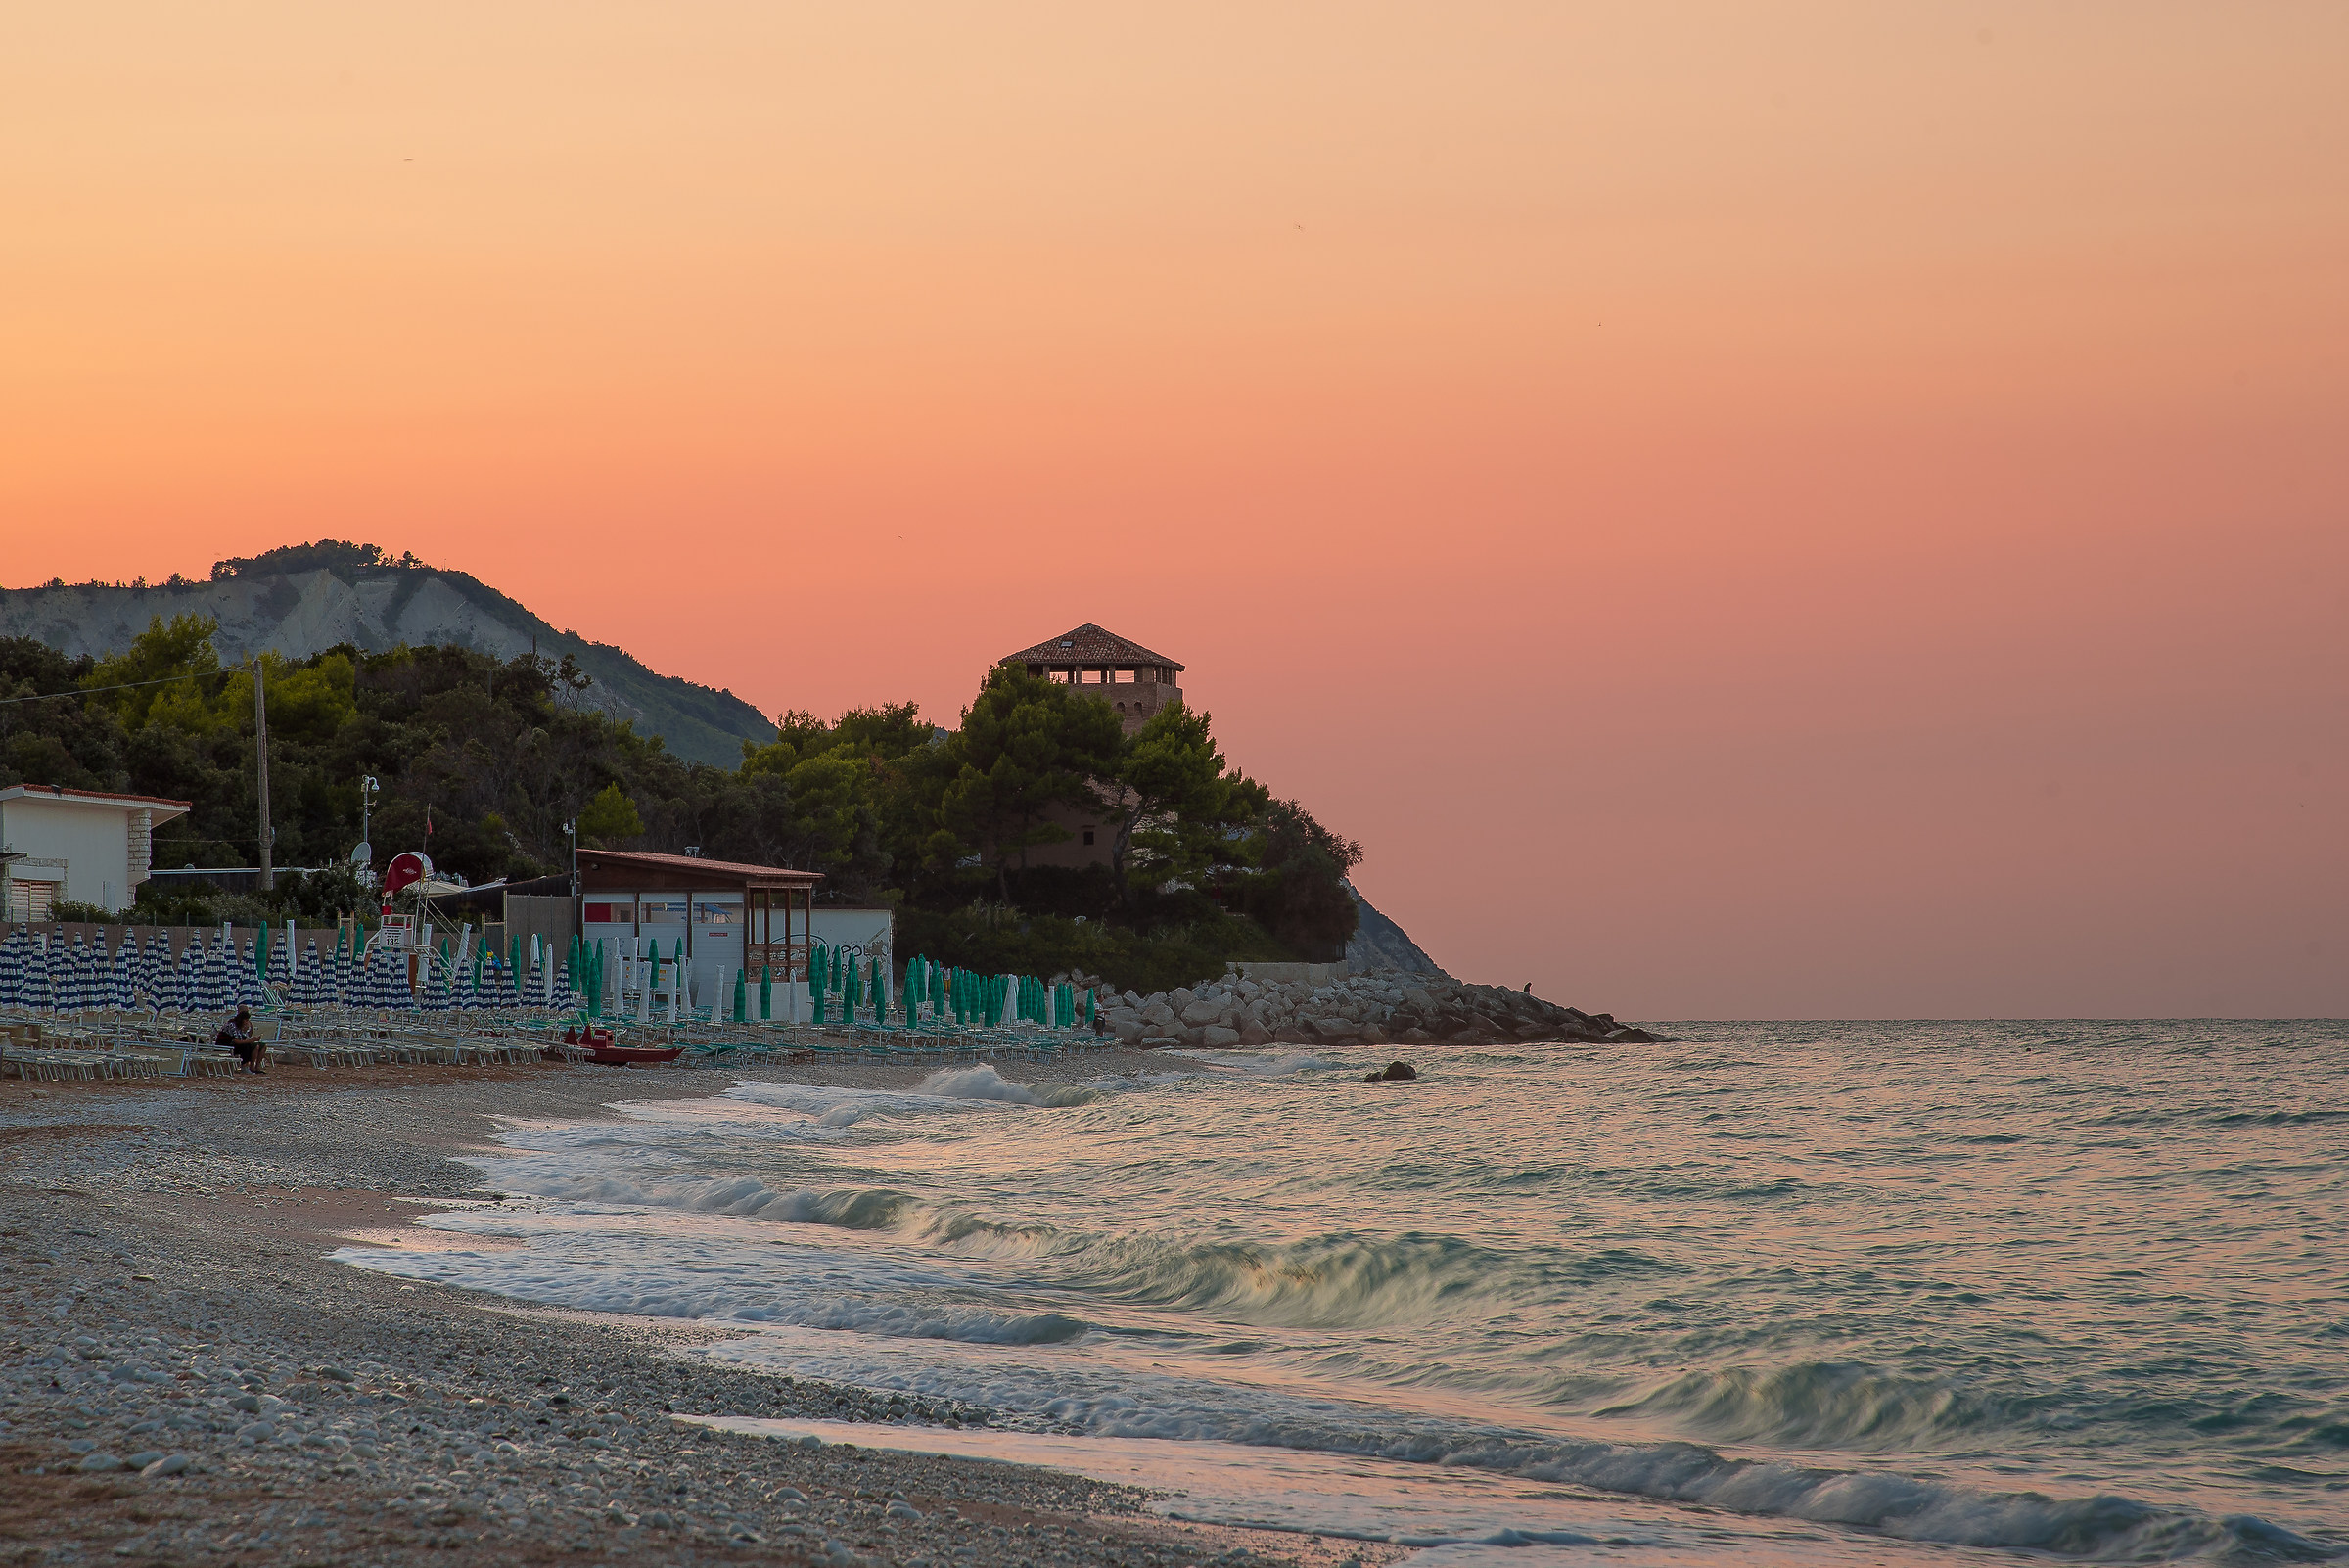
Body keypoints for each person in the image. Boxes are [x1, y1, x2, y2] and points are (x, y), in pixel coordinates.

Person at [215, 1005, 267, 1074]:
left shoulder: (240, 1025)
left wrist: (249, 1031)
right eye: (246, 1020)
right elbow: (236, 1041)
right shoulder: (232, 1025)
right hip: (226, 1045)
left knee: (263, 1046)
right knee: (248, 1046)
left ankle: (256, 1067)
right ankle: (245, 1066)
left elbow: (245, 1037)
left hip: (234, 1044)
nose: (247, 1022)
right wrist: (251, 1041)